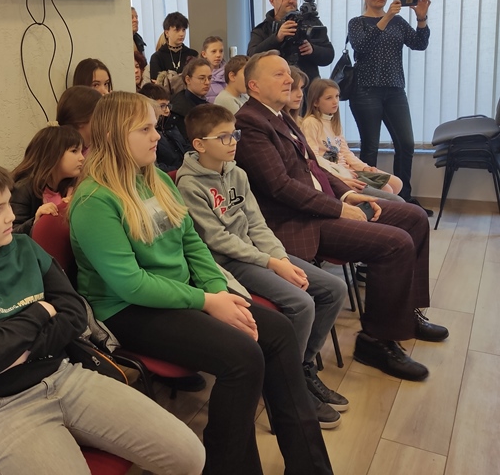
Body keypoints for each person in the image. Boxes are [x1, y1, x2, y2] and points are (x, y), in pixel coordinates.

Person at [69, 91, 332, 475]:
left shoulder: (155, 178)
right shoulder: (94, 200)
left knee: (278, 331)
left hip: (180, 293)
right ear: (112, 136)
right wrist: (207, 301)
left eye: (155, 127)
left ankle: (311, 467)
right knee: (243, 358)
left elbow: (192, 243)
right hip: (127, 310)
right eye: (144, 129)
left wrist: (219, 290)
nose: (157, 136)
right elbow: (131, 284)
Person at [0, 155, 205, 475]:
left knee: (189, 455)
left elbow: (75, 314)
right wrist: (40, 310)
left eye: (8, 203)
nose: (11, 215)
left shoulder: (25, 247)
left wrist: (18, 355)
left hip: (64, 374)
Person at [233, 51, 448, 382]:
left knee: (415, 217)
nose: (290, 80)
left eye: (288, 74)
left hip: (321, 207)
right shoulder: (250, 122)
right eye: (279, 75)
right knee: (395, 243)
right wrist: (338, 208)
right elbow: (279, 187)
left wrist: (347, 194)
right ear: (254, 85)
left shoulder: (280, 116)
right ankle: (375, 342)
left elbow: (314, 167)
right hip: (298, 222)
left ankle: (406, 314)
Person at [176, 103, 349, 427]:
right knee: (302, 303)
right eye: (224, 137)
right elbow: (216, 240)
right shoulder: (189, 185)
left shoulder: (237, 173)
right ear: (199, 144)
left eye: (235, 134)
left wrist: (279, 258)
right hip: (228, 263)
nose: (233, 142)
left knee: (334, 289)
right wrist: (270, 261)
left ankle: (301, 368)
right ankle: (286, 387)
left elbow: (257, 223)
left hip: (258, 253)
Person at [348, 0, 432, 212]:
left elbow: (419, 44)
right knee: (370, 148)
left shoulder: (398, 22)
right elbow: (362, 46)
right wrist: (386, 18)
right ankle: (370, 201)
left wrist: (421, 18)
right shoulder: (357, 23)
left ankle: (404, 200)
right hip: (365, 91)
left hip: (395, 90)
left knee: (406, 144)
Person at [301, 78, 403, 198]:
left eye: (337, 96)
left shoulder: (334, 122)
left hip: (347, 169)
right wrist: (343, 174)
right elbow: (314, 157)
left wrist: (364, 167)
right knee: (387, 190)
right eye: (329, 98)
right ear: (315, 102)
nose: (335, 101)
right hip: (336, 172)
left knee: (397, 183)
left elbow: (346, 153)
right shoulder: (311, 122)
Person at [247, 0, 334, 92]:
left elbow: (329, 55)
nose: (291, 0)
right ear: (272, 1)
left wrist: (313, 50)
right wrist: (276, 38)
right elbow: (252, 57)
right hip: (276, 91)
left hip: (308, 90)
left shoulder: (311, 22)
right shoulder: (263, 29)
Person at [10, 125, 84, 235]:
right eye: (74, 151)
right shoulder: (23, 189)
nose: (82, 158)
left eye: (81, 151)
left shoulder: (74, 186)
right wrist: (36, 221)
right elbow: (12, 235)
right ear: (52, 154)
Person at [138, 83, 190, 172]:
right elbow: (155, 167)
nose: (167, 110)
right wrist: (181, 170)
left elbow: (185, 147)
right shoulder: (147, 134)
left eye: (168, 105)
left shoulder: (171, 124)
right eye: (162, 106)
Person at [148, 12, 198, 85]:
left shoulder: (192, 54)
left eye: (183, 30)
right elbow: (156, 85)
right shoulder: (157, 57)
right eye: (177, 30)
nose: (181, 34)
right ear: (167, 32)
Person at [170, 58, 212, 144]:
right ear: (188, 80)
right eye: (202, 78)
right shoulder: (179, 109)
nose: (207, 82)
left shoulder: (206, 105)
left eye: (209, 78)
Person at [55, 86, 102, 153]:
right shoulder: (66, 155)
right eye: (99, 115)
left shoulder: (93, 149)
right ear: (81, 120)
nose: (103, 121)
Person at [201, 36, 226, 102]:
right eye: (214, 51)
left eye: (221, 51)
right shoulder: (198, 74)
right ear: (204, 54)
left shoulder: (229, 73)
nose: (218, 55)